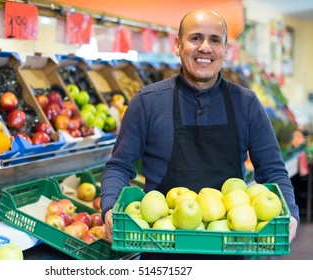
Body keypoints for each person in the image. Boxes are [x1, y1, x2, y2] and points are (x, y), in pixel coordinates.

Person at [100, 9, 299, 259]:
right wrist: (109, 208)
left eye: (215, 40)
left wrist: (289, 212)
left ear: (225, 50)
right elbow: (119, 166)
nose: (205, 47)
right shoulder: (147, 102)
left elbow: (272, 170)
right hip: (162, 248)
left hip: (230, 247)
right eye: (195, 38)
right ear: (177, 45)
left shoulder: (247, 104)